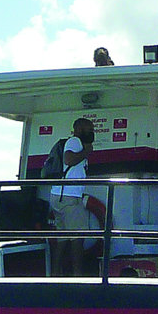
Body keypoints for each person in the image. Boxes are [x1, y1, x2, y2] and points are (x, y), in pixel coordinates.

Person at [50, 117, 95, 276]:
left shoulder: (75, 143)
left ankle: (55, 274)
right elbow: (69, 159)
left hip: (59, 196)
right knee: (77, 238)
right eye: (90, 129)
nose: (92, 132)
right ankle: (78, 277)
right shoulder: (75, 141)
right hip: (69, 197)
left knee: (62, 239)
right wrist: (86, 152)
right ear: (80, 129)